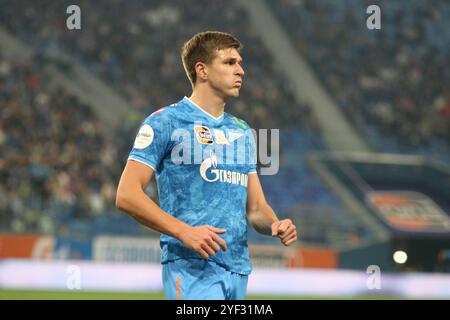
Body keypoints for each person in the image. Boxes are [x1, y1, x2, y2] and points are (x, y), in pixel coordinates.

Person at [116, 31, 297, 300]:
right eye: (230, 63)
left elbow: (256, 208)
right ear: (202, 70)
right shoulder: (166, 122)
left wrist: (274, 224)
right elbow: (127, 195)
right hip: (191, 268)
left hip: (238, 270)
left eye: (240, 62)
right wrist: (184, 232)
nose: (241, 71)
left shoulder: (242, 131)